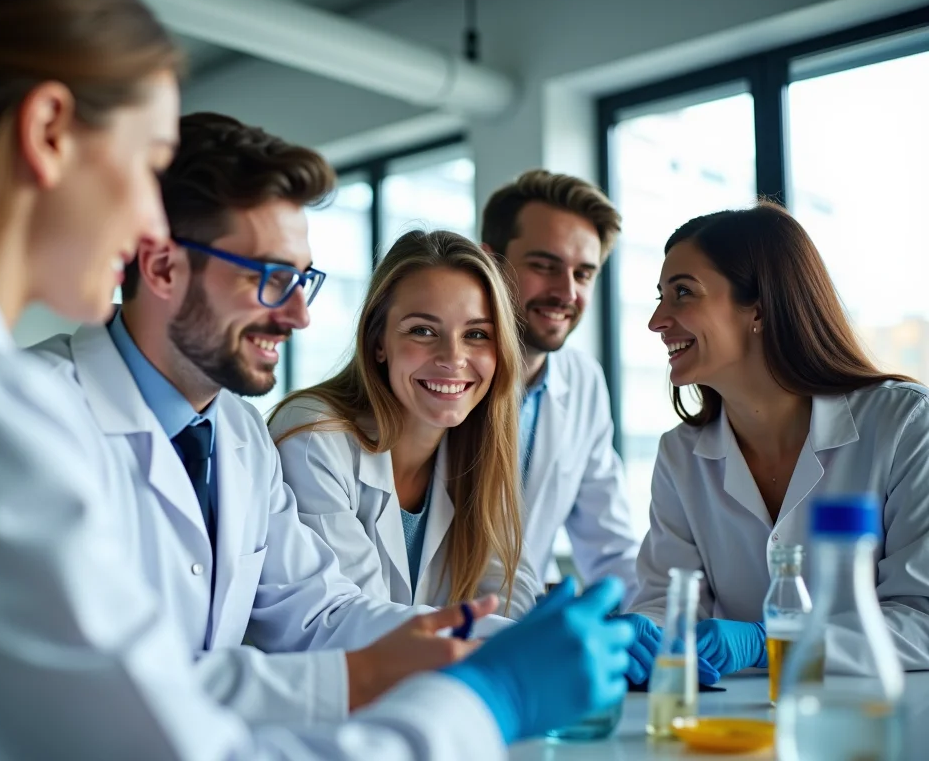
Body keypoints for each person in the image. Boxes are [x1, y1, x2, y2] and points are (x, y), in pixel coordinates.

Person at [0, 0, 635, 757]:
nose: (146, 227)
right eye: (145, 159)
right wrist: (483, 702)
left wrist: (412, 653)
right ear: (46, 134)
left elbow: (156, 678)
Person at [29, 113, 514, 724]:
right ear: (160, 268)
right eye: (269, 278)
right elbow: (91, 681)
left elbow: (318, 613)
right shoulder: (30, 416)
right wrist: (361, 678)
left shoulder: (236, 432)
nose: (297, 316)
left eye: (301, 280)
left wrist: (502, 642)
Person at [625, 202, 929, 681]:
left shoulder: (906, 424)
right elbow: (669, 600)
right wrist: (640, 633)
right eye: (661, 296)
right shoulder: (680, 455)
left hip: (882, 728)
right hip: (736, 733)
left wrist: (774, 642)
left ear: (760, 310)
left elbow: (922, 618)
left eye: (683, 293)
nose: (657, 320)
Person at [268, 229, 541, 617]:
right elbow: (354, 619)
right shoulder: (315, 437)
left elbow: (509, 599)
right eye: (423, 331)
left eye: (477, 334)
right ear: (378, 341)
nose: (453, 357)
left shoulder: (481, 449)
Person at [479, 170, 642, 602]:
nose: (565, 292)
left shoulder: (584, 381)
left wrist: (656, 624)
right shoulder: (444, 378)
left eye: (583, 274)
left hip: (523, 634)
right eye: (544, 266)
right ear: (490, 263)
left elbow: (610, 547)